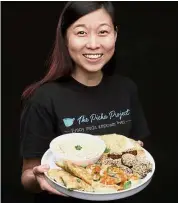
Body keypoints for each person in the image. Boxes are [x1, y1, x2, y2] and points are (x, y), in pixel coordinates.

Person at [20, 1, 150, 203]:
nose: (93, 44)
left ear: (115, 34)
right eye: (81, 33)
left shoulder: (126, 88)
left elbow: (138, 151)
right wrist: (37, 178)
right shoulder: (44, 98)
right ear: (65, 37)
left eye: (103, 32)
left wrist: (135, 152)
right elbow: (28, 175)